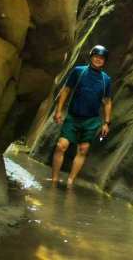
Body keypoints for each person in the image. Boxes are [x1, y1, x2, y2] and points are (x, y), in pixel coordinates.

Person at [50, 45, 113, 188]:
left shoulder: (106, 80)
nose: (98, 60)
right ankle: (54, 179)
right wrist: (58, 110)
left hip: (91, 120)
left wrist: (106, 122)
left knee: (83, 149)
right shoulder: (79, 71)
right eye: (96, 56)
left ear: (104, 61)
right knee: (61, 146)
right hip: (73, 116)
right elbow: (66, 90)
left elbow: (107, 102)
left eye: (101, 58)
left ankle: (70, 181)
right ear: (91, 57)